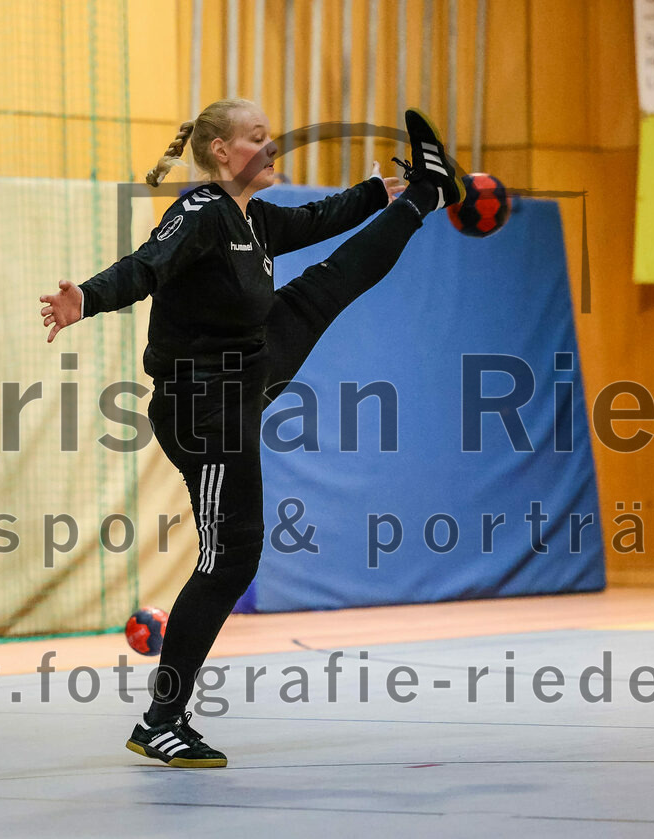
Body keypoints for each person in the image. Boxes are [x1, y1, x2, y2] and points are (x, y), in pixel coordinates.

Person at [39, 99, 464, 768]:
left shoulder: (252, 218)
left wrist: (374, 196)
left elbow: (314, 221)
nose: (272, 149)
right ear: (220, 153)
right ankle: (162, 719)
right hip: (202, 408)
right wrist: (83, 299)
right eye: (258, 139)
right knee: (230, 557)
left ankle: (425, 196)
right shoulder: (201, 212)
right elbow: (145, 267)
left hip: (245, 370)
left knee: (326, 285)